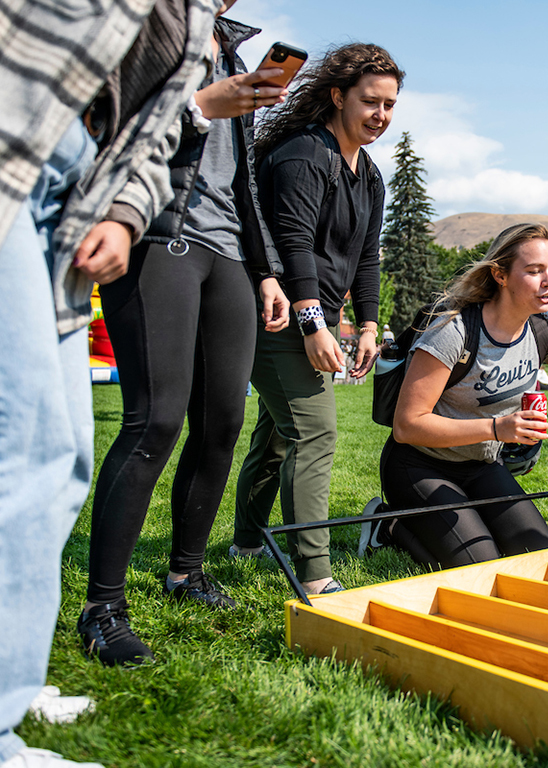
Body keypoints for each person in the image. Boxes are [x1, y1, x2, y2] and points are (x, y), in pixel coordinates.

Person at [0, 0, 219, 763]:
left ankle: (13, 684)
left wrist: (125, 213)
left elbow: (153, 137)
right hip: (13, 149)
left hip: (69, 196)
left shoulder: (199, 27)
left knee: (57, 459)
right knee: (23, 451)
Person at [79, 6, 292, 667]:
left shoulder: (231, 49)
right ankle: (103, 609)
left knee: (223, 421)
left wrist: (265, 271)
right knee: (155, 420)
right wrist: (204, 103)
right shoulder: (142, 26)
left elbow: (246, 181)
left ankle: (186, 572)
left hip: (227, 251)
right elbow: (107, 128)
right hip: (152, 231)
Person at [232, 43, 402, 595]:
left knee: (280, 435)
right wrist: (313, 324)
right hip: (275, 310)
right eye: (370, 101)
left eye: (390, 105)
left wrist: (370, 324)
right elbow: (295, 245)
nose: (381, 115)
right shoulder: (304, 154)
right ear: (337, 96)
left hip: (318, 313)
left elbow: (368, 255)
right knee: (315, 431)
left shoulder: (369, 174)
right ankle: (315, 574)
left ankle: (249, 541)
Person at [371, 224, 548, 569]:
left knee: (536, 555)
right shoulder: (453, 329)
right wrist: (496, 428)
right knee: (481, 563)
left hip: (481, 465)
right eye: (534, 271)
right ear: (500, 275)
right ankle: (388, 525)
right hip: (418, 464)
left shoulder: (544, 329)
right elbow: (407, 425)